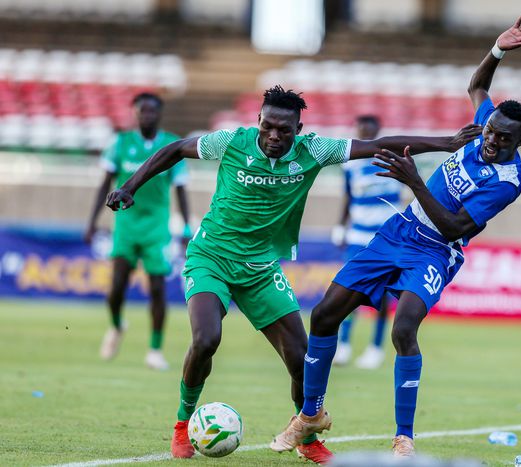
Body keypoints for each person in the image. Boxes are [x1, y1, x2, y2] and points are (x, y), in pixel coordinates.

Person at [105, 85, 479, 464]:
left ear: (298, 129)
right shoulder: (231, 142)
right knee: (206, 339)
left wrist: (446, 144)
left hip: (261, 269)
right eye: (267, 127)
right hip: (211, 258)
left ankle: (307, 437)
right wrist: (129, 186)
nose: (274, 136)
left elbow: (378, 145)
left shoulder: (313, 151)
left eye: (284, 130)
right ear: (258, 121)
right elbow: (174, 149)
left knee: (302, 360)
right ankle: (182, 424)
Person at [270, 16, 521, 458]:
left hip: (436, 251)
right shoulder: (484, 126)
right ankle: (310, 414)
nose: (491, 140)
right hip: (399, 230)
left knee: (404, 328)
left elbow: (454, 227)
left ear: (519, 142)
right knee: (325, 314)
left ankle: (404, 438)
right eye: (490, 131)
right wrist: (497, 50)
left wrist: (414, 180)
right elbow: (477, 85)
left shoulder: (507, 181)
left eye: (503, 138)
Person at [85, 92, 190, 371]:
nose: (147, 116)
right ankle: (117, 325)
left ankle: (155, 350)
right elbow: (105, 184)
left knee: (157, 288)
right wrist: (92, 222)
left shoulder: (171, 145)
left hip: (157, 227)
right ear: (135, 113)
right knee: (117, 287)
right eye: (142, 111)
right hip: (126, 225)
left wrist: (186, 227)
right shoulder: (120, 143)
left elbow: (181, 190)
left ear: (159, 114)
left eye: (152, 111)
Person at [332, 115, 401, 369]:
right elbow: (348, 197)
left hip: (386, 238)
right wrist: (341, 225)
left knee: (382, 295)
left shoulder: (393, 158)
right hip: (358, 236)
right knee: (349, 291)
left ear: (378, 130)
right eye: (361, 130)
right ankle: (343, 344)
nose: (365, 135)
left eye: (369, 131)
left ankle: (376, 347)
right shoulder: (350, 164)